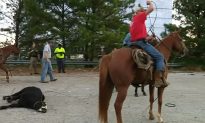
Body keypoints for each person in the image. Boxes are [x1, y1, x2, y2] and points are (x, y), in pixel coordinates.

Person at [129, 0, 168, 88]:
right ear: (138, 12)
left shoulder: (133, 22)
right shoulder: (139, 16)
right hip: (140, 43)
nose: (144, 12)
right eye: (142, 10)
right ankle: (158, 79)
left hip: (134, 43)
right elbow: (151, 8)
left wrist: (149, 38)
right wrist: (150, 2)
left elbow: (139, 36)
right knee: (159, 57)